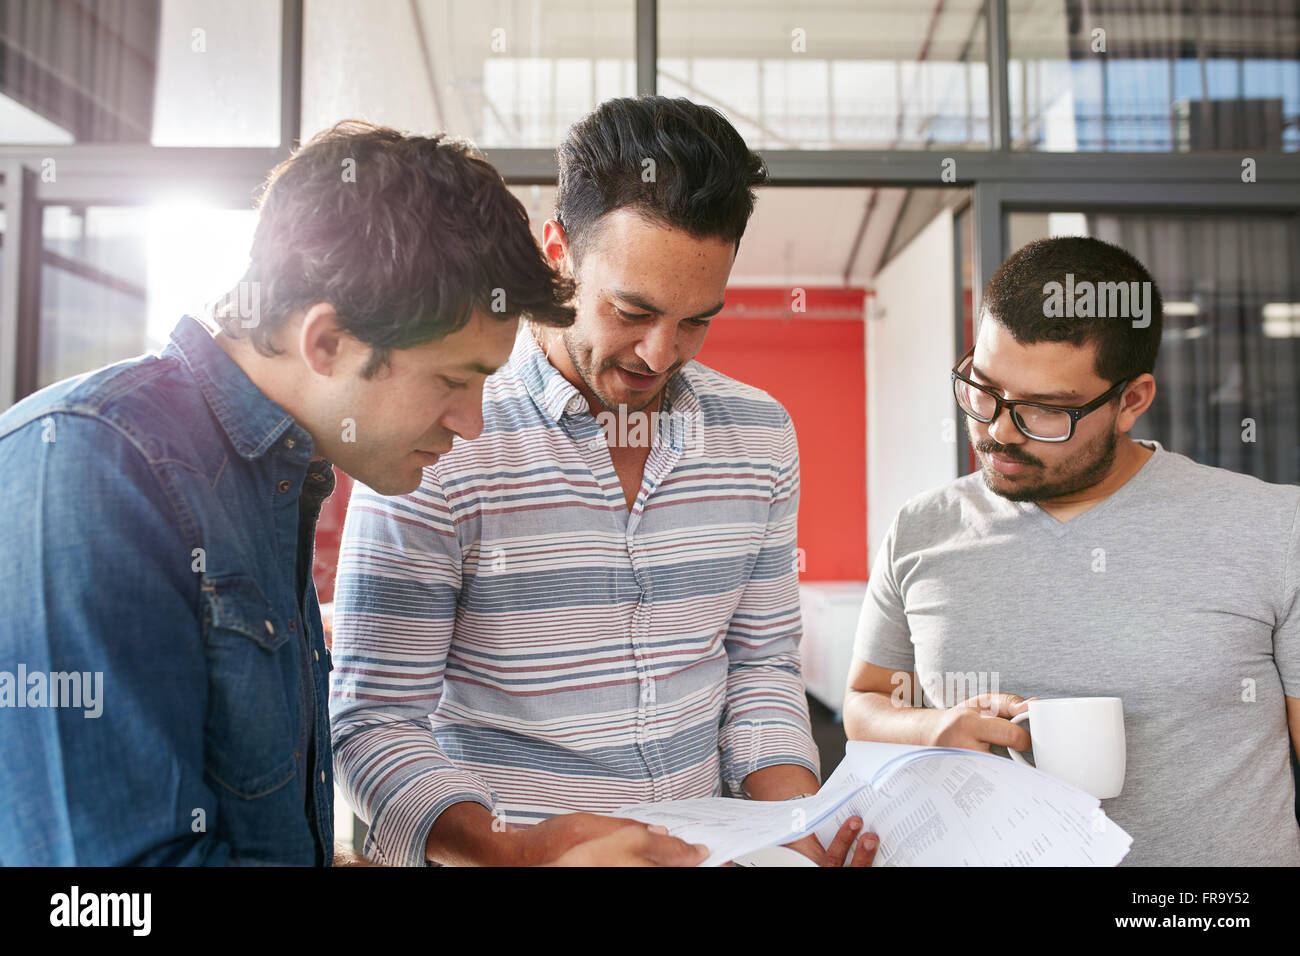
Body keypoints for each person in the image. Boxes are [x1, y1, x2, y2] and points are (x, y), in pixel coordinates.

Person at [0, 120, 706, 867]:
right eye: (453, 379)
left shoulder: (271, 484)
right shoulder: (91, 468)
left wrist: (519, 853)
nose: (471, 424)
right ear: (327, 342)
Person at [330, 96, 878, 867]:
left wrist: (792, 824)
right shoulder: (436, 433)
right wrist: (518, 850)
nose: (659, 354)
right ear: (559, 250)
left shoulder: (759, 435)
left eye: (696, 321)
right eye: (632, 311)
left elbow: (760, 665)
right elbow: (375, 722)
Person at [843, 235, 1300, 865]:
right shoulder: (921, 528)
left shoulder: (1276, 528)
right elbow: (866, 702)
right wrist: (931, 726)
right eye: (984, 389)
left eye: (1045, 411)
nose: (999, 432)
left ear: (1131, 402)